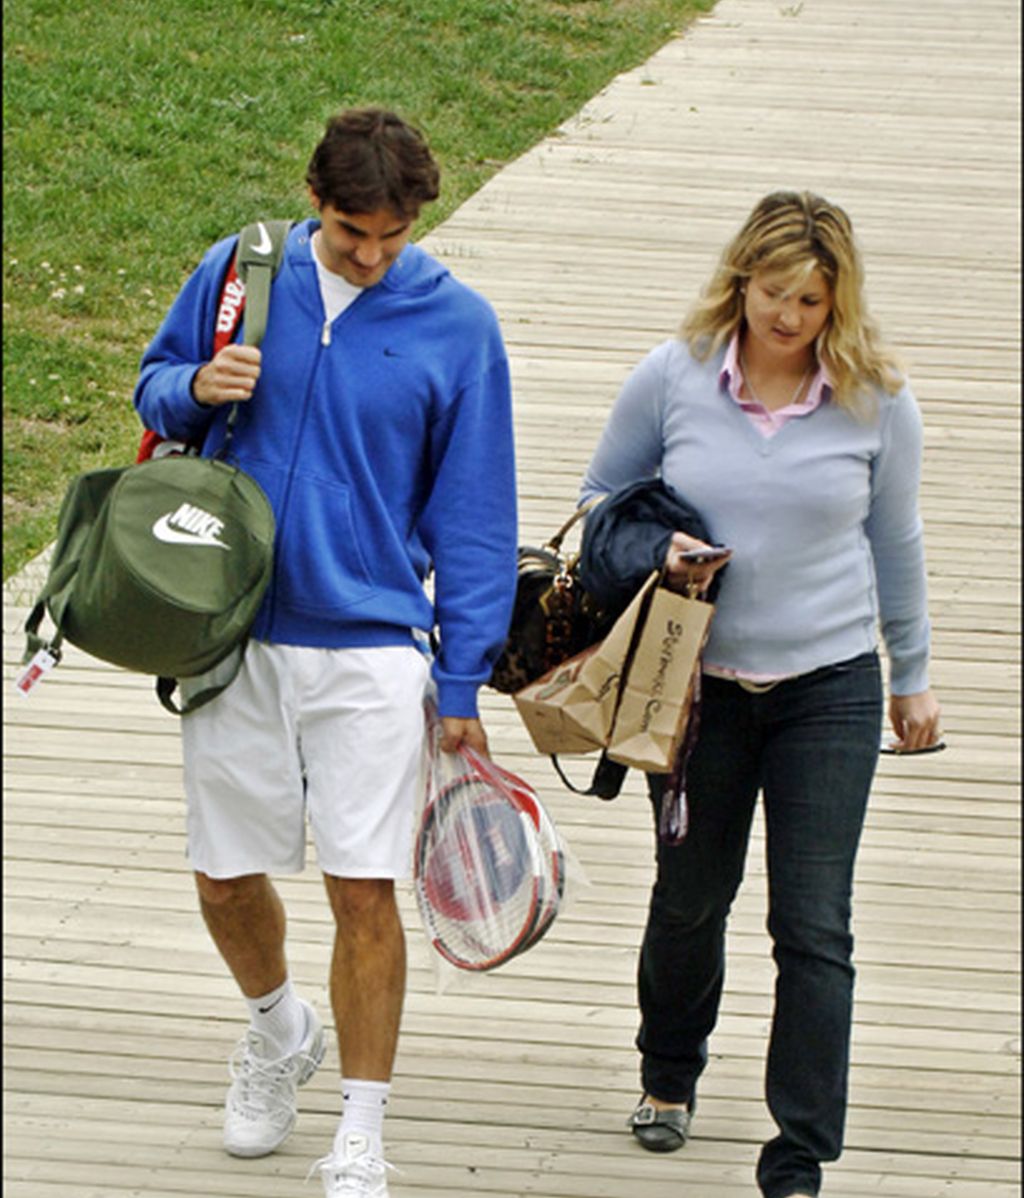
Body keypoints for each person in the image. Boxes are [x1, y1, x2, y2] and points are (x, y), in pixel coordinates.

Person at [134, 107, 517, 1198]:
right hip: (232, 627)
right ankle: (276, 1029)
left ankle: (361, 1127)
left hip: (371, 649)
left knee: (365, 891)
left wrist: (461, 681)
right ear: (316, 202)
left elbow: (478, 518)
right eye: (355, 233)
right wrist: (194, 388)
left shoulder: (457, 325)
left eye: (393, 237)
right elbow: (154, 386)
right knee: (221, 876)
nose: (373, 254)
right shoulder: (236, 271)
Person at [580, 191, 942, 1198]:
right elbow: (596, 501)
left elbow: (895, 543)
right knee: (692, 898)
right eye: (775, 293)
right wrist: (661, 548)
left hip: (827, 685)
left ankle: (799, 1148)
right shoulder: (674, 376)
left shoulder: (877, 399)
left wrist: (909, 673)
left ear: (838, 306)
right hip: (695, 689)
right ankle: (668, 1074)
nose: (789, 317)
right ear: (740, 278)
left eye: (813, 302)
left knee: (813, 922)